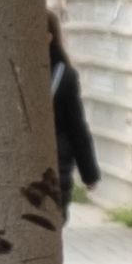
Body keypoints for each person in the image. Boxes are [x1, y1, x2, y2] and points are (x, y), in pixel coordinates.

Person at [49, 10, 101, 199]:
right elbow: (77, 128)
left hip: (56, 168)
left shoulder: (64, 77)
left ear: (48, 37)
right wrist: (90, 175)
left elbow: (76, 127)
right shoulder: (65, 75)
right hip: (55, 167)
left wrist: (89, 174)